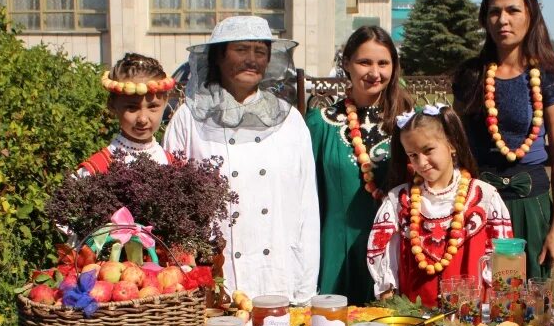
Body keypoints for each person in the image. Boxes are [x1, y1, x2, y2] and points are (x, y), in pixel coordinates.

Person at [163, 16, 319, 304]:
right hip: (214, 279)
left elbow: (306, 208)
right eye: (241, 50)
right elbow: (172, 206)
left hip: (278, 276)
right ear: (219, 57)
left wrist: (305, 287)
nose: (252, 60)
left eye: (260, 51)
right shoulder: (189, 119)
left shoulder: (290, 121)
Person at [452, 0, 554, 280]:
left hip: (530, 205)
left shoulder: (549, 77)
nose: (503, 20)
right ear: (484, 19)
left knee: (529, 305)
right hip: (477, 204)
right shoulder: (470, 75)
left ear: (530, 16)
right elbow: (455, 145)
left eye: (512, 11)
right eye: (494, 12)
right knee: (475, 299)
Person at [306, 26, 415, 304]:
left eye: (383, 63)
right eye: (364, 62)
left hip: (394, 251)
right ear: (346, 64)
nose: (374, 72)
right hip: (335, 252)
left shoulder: (410, 124)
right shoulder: (321, 123)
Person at [367, 106, 513, 307]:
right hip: (416, 322)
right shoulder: (399, 201)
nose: (422, 162)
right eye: (412, 155)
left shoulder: (485, 198)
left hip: (472, 321)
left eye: (428, 150)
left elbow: (503, 267)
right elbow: (384, 263)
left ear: (451, 145)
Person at [78, 53, 176, 175]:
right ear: (112, 105)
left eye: (153, 106)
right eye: (132, 108)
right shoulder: (96, 170)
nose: (143, 119)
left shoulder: (173, 165)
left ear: (165, 102)